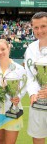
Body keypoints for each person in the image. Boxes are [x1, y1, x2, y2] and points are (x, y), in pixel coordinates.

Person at [0, 39, 26, 144]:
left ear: (8, 48)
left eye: (3, 49)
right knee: (0, 140)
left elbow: (23, 87)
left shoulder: (19, 68)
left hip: (13, 109)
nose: (0, 52)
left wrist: (18, 97)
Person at [24, 12, 47, 144]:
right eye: (36, 28)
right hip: (37, 100)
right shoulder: (31, 48)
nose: (40, 31)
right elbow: (29, 75)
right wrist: (33, 93)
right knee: (38, 137)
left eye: (43, 26)